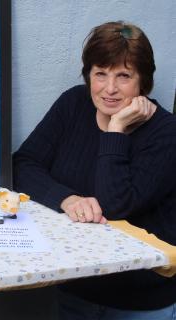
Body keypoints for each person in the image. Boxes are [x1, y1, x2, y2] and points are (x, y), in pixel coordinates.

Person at [13, 21, 176, 319]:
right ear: (89, 75)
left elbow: (116, 205)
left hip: (138, 302)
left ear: (144, 82)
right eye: (100, 73)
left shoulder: (166, 133)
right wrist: (67, 199)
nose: (109, 88)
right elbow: (23, 164)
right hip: (75, 287)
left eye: (123, 76)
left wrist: (115, 131)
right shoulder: (73, 104)